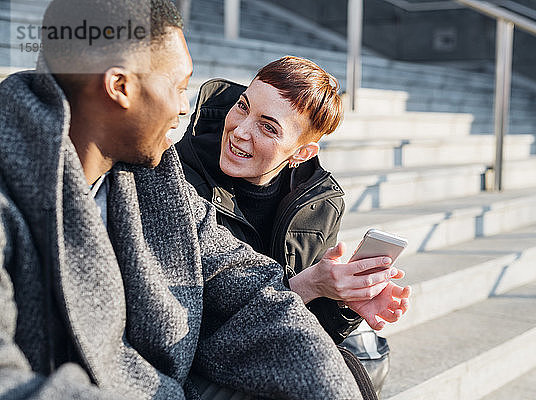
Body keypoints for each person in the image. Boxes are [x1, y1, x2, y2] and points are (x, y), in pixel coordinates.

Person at [0, 1, 366, 399]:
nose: (184, 107)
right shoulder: (13, 187)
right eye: (178, 87)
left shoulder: (158, 178)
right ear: (120, 86)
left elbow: (248, 287)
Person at [176, 57, 411, 391]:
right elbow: (199, 333)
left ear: (301, 153)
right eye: (243, 107)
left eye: (268, 127)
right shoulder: (178, 180)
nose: (241, 131)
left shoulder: (320, 204)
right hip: (204, 359)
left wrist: (344, 302)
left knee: (366, 360)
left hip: (271, 344)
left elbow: (308, 329)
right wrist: (310, 285)